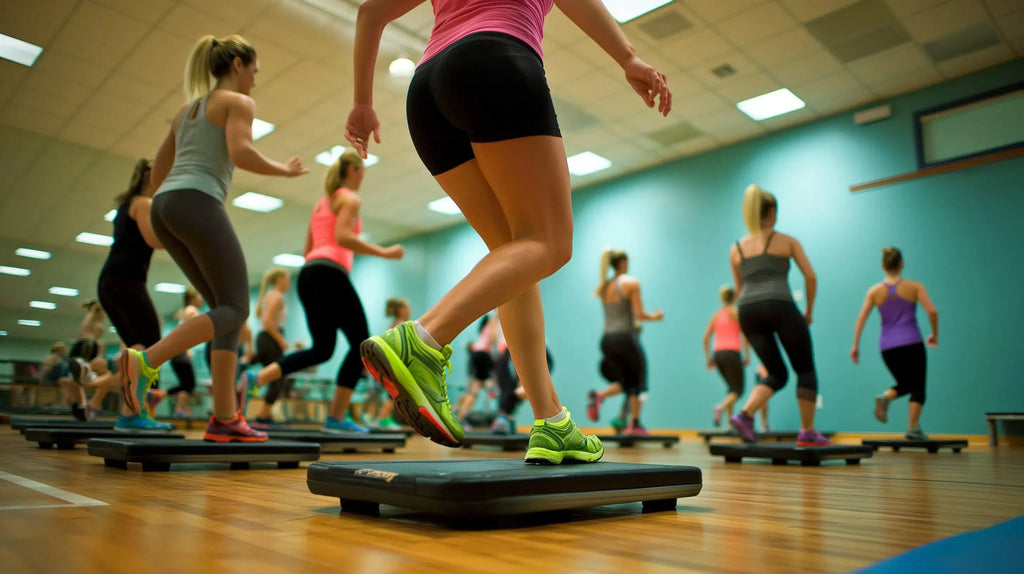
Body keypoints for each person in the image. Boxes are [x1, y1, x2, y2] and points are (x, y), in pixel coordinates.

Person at [348, 0, 670, 464]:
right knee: (550, 242)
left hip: (427, 91)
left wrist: (362, 101)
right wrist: (627, 57)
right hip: (492, 61)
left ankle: (551, 420)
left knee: (514, 253)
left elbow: (370, 11)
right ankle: (423, 338)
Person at [118, 34, 309, 443]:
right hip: (196, 201)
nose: (255, 81)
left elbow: (156, 176)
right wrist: (283, 170)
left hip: (165, 206)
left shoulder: (186, 112)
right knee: (238, 306)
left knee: (225, 310)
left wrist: (180, 189)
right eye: (254, 71)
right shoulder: (237, 102)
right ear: (238, 65)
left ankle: (224, 418)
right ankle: (145, 361)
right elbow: (240, 152)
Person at [240, 150, 404, 434]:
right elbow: (342, 237)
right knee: (362, 347)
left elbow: (307, 251)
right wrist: (384, 252)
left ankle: (256, 378)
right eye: (362, 170)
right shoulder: (350, 198)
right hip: (330, 274)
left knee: (322, 349)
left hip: (309, 274)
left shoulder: (321, 204)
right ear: (352, 170)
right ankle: (336, 419)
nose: (364, 176)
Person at [728, 184, 831, 447]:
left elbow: (740, 291)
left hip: (748, 311)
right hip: (780, 304)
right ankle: (807, 431)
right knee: (804, 369)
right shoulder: (786, 241)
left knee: (777, 373)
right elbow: (811, 276)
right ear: (772, 212)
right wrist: (809, 310)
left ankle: (745, 414)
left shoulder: (737, 248)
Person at [94, 157, 174, 430]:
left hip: (111, 281)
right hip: (125, 280)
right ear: (151, 177)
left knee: (138, 348)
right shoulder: (144, 204)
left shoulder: (126, 205)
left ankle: (118, 395)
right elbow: (154, 241)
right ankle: (132, 412)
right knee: (153, 348)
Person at [850, 247, 939, 440]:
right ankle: (912, 427)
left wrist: (855, 346)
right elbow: (932, 311)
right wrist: (934, 334)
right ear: (902, 264)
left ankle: (886, 398)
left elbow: (861, 319)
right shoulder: (915, 287)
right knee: (918, 386)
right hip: (912, 342)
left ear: (883, 266)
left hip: (888, 347)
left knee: (906, 383)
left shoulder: (874, 291)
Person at [585, 250, 664, 436]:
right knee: (640, 382)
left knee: (627, 383)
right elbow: (639, 315)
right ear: (622, 263)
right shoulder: (631, 283)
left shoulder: (604, 287)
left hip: (607, 340)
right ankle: (634, 425)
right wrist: (656, 316)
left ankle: (599, 396)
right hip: (625, 338)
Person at [702, 285, 752, 427]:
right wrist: (747, 355)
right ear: (735, 297)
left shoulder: (716, 315)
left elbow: (705, 338)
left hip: (718, 354)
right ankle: (721, 408)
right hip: (732, 352)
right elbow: (745, 335)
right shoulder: (736, 313)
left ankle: (732, 425)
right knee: (738, 390)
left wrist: (708, 358)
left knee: (731, 388)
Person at [250, 267, 291, 426]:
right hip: (269, 339)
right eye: (286, 279)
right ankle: (262, 414)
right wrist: (281, 340)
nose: (288, 283)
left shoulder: (270, 295)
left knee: (276, 377)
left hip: (265, 339)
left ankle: (264, 414)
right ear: (279, 280)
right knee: (279, 376)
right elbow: (267, 322)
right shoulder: (277, 296)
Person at [453, 314, 498, 423]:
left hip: (477, 355)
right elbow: (492, 338)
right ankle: (458, 420)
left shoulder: (487, 321)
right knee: (474, 392)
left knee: (472, 390)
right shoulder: (493, 319)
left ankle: (452, 411)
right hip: (483, 355)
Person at [165, 288, 202, 419]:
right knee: (189, 384)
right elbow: (186, 331)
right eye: (199, 295)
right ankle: (179, 409)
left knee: (185, 384)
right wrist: (187, 350)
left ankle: (162, 395)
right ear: (193, 298)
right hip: (181, 353)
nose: (201, 298)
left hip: (178, 353)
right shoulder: (192, 310)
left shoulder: (186, 311)